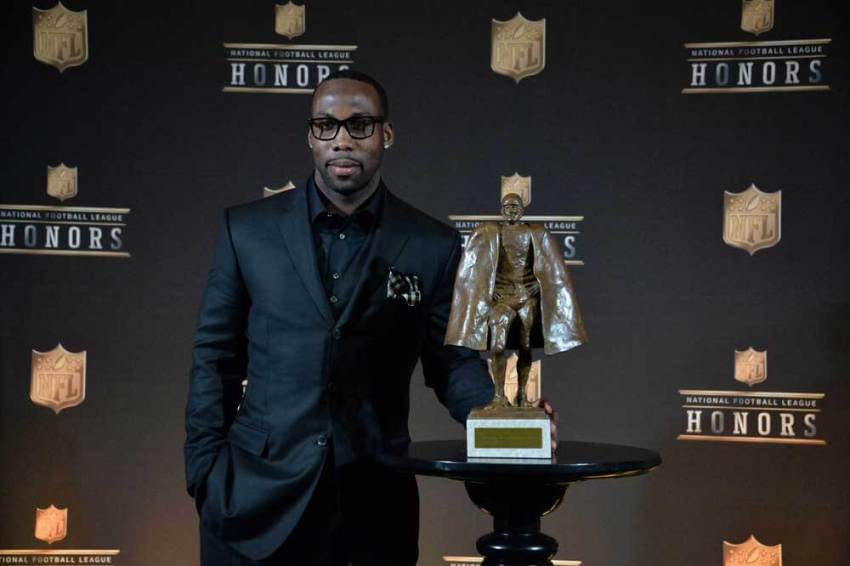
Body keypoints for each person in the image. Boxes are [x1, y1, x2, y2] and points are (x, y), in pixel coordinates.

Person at [184, 70, 556, 565]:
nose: (342, 139)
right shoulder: (246, 231)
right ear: (310, 136)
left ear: (386, 134)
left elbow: (452, 363)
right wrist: (205, 472)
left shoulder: (432, 244)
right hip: (252, 500)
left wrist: (506, 415)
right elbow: (215, 358)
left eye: (360, 125)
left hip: (374, 506)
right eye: (326, 125)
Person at [445, 192, 587, 407]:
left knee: (525, 346)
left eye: (515, 206)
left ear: (522, 209)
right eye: (507, 206)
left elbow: (550, 270)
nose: (511, 210)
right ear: (502, 209)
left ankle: (521, 395)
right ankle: (498, 397)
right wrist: (488, 291)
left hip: (526, 298)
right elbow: (475, 273)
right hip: (502, 299)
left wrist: (537, 286)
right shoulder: (490, 232)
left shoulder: (536, 233)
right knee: (498, 347)